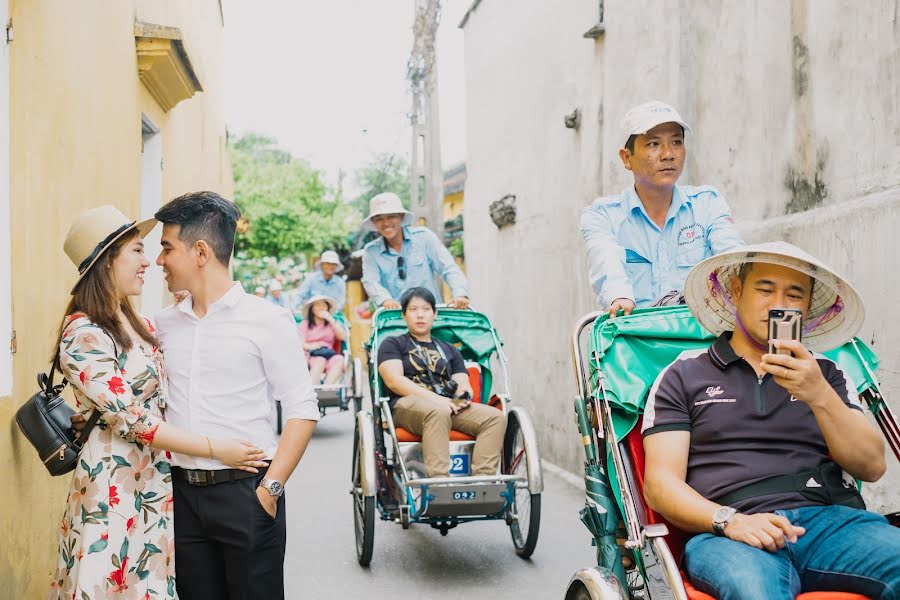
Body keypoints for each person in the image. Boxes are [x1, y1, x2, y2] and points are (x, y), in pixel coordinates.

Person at [642, 242, 898, 599]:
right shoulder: (684, 374)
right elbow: (660, 484)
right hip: (730, 531)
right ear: (736, 291)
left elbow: (872, 467)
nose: (779, 303)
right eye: (765, 289)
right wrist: (730, 521)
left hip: (829, 522)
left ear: (807, 308)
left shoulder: (826, 372)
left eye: (794, 294)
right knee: (755, 590)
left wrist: (818, 394)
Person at [50, 205, 266, 600]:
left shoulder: (142, 323)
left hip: (153, 481)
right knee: (109, 581)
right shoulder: (83, 333)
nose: (147, 260)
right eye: (136, 250)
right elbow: (135, 420)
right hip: (112, 482)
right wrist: (221, 449)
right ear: (106, 261)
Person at [154, 191, 319, 599]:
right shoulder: (162, 324)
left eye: (166, 248)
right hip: (181, 496)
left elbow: (302, 409)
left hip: (247, 494)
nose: (159, 261)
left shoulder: (267, 320)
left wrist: (271, 490)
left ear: (200, 251)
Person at [581, 100, 744, 318]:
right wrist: (619, 297)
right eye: (653, 144)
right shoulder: (603, 216)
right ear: (626, 158)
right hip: (638, 340)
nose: (668, 154)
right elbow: (606, 264)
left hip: (701, 337)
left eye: (676, 142)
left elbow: (731, 257)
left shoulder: (707, 204)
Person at [377, 287, 506, 477]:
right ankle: (439, 482)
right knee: (436, 412)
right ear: (404, 315)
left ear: (434, 314)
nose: (420, 315)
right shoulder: (393, 344)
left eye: (426, 309)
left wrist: (458, 400)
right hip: (407, 405)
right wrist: (438, 401)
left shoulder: (449, 349)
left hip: (446, 405)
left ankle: (482, 480)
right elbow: (394, 381)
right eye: (413, 310)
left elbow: (463, 384)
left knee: (495, 417)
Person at [361, 192, 469, 310]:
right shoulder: (371, 251)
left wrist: (460, 294)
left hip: (430, 315)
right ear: (374, 222)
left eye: (391, 216)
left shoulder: (424, 237)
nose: (386, 223)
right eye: (379, 219)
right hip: (395, 319)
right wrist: (386, 300)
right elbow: (371, 282)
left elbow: (448, 268)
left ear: (401, 217)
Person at [299, 295, 346, 385]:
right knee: (320, 360)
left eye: (324, 305)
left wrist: (330, 319)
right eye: (318, 305)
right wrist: (314, 346)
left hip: (329, 353)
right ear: (312, 309)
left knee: (340, 359)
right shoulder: (305, 324)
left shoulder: (332, 324)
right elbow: (301, 343)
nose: (321, 308)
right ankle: (312, 391)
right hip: (311, 354)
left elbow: (341, 337)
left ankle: (327, 388)